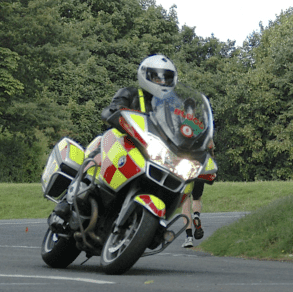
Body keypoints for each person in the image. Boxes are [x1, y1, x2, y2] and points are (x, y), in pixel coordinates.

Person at [52, 54, 178, 222]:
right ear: (146, 75)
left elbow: (179, 130)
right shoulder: (131, 93)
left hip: (149, 153)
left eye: (166, 79)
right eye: (157, 77)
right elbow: (111, 110)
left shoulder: (170, 109)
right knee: (100, 151)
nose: (162, 82)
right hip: (122, 143)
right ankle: (67, 202)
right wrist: (114, 112)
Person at [181, 180, 205, 248]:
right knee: (196, 199)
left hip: (186, 175)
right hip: (199, 175)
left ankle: (189, 237)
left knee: (185, 201)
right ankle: (196, 216)